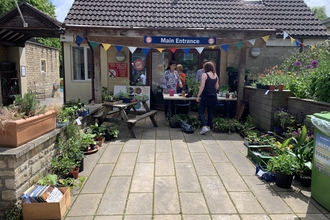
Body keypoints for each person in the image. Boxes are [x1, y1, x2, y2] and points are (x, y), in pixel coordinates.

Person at [196, 61, 219, 134]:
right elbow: (217, 87)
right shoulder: (215, 75)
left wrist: (198, 95)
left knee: (200, 111)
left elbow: (202, 86)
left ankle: (204, 126)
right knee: (210, 112)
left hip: (206, 95)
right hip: (213, 96)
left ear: (206, 68)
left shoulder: (204, 75)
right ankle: (208, 126)